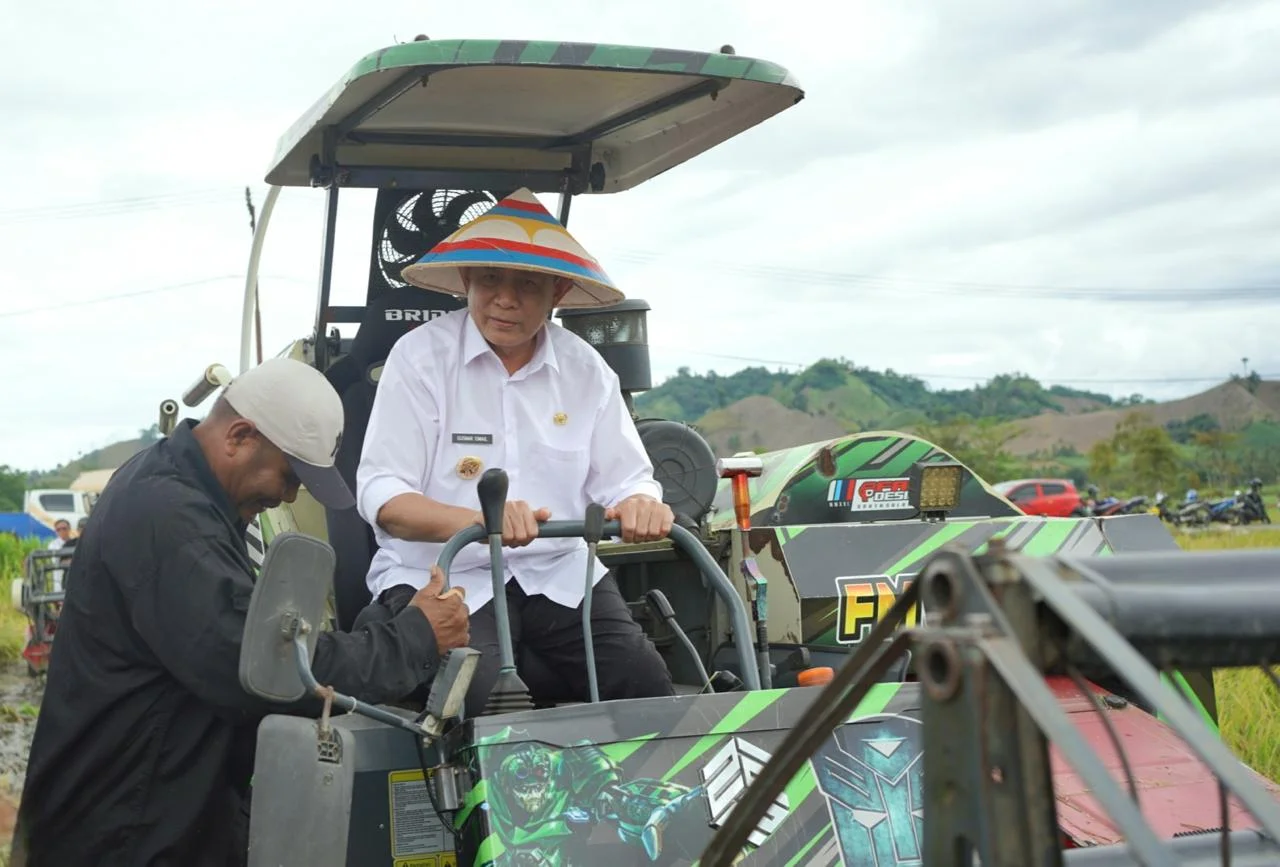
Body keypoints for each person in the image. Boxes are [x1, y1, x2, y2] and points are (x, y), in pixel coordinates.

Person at [11, 357, 470, 867]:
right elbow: (263, 669)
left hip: (156, 814)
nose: (287, 496)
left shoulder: (176, 489)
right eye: (290, 475)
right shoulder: (168, 517)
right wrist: (413, 638)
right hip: (126, 831)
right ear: (239, 436)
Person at [354, 187, 675, 716]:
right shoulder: (418, 359)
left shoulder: (587, 369)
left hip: (558, 574)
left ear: (559, 291)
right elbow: (384, 496)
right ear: (465, 281)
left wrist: (642, 500)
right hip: (446, 574)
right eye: (489, 280)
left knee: (645, 684)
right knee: (486, 707)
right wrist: (482, 519)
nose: (505, 299)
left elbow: (629, 479)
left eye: (526, 284)